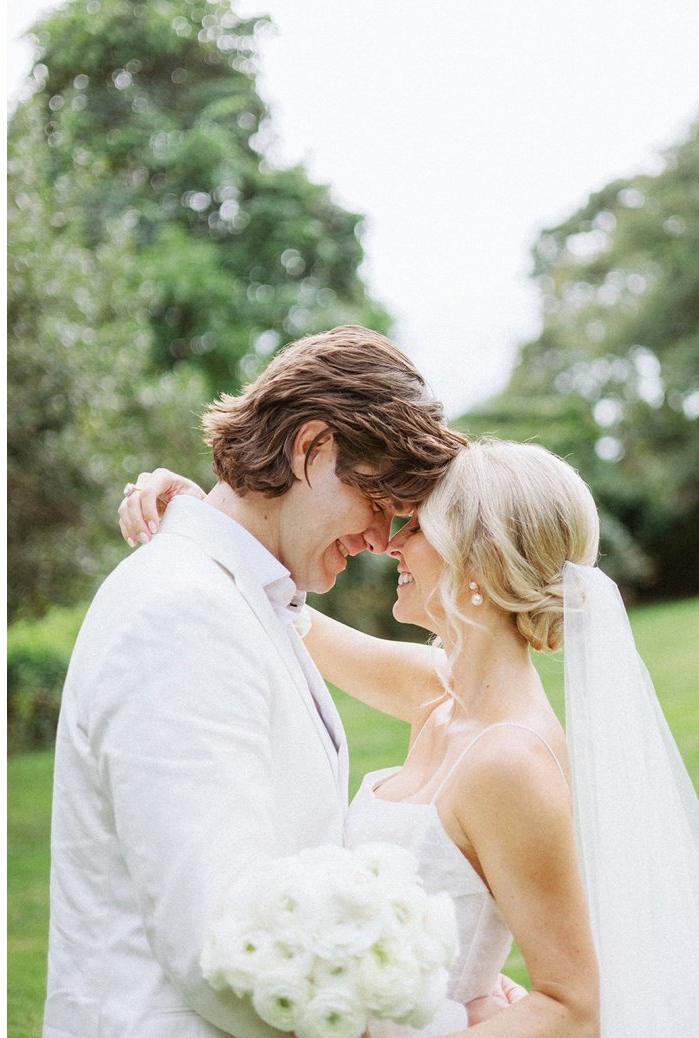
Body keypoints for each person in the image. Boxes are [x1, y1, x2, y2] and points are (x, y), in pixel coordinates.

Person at [122, 440, 699, 1036]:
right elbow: (284, 613)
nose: (391, 542)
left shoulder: (510, 760)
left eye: (418, 526)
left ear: (480, 560)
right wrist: (209, 520)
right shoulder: (436, 692)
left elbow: (572, 1006)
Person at [44, 327, 464, 1037]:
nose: (380, 539)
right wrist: (446, 1022)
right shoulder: (184, 613)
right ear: (312, 448)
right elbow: (220, 947)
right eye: (377, 499)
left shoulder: (245, 598)